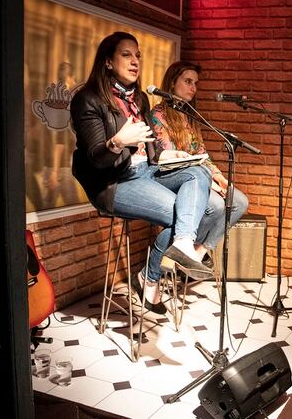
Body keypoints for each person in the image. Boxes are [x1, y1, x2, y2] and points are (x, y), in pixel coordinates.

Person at [70, 32, 213, 314]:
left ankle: (183, 244)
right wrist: (118, 141)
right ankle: (149, 277)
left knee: (198, 173)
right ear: (108, 62)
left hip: (144, 172)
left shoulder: (140, 100)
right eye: (126, 55)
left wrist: (167, 155)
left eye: (137, 56)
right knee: (184, 215)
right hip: (111, 182)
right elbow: (94, 159)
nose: (135, 61)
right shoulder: (88, 99)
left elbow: (148, 151)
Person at [149, 61, 249, 266]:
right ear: (172, 82)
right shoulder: (158, 115)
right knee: (214, 205)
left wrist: (218, 176)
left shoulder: (190, 116)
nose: (193, 88)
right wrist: (207, 181)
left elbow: (201, 152)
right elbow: (171, 157)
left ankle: (198, 252)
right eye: (188, 81)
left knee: (239, 201)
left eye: (195, 83)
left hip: (199, 175)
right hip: (173, 177)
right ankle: (176, 253)